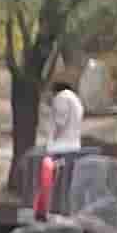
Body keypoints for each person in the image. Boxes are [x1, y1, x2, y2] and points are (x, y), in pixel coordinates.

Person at [41, 80, 84, 215]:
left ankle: (54, 210)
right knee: (68, 182)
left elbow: (60, 122)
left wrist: (52, 139)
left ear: (55, 91)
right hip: (73, 146)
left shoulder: (61, 98)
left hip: (60, 148)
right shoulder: (76, 100)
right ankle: (67, 211)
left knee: (54, 182)